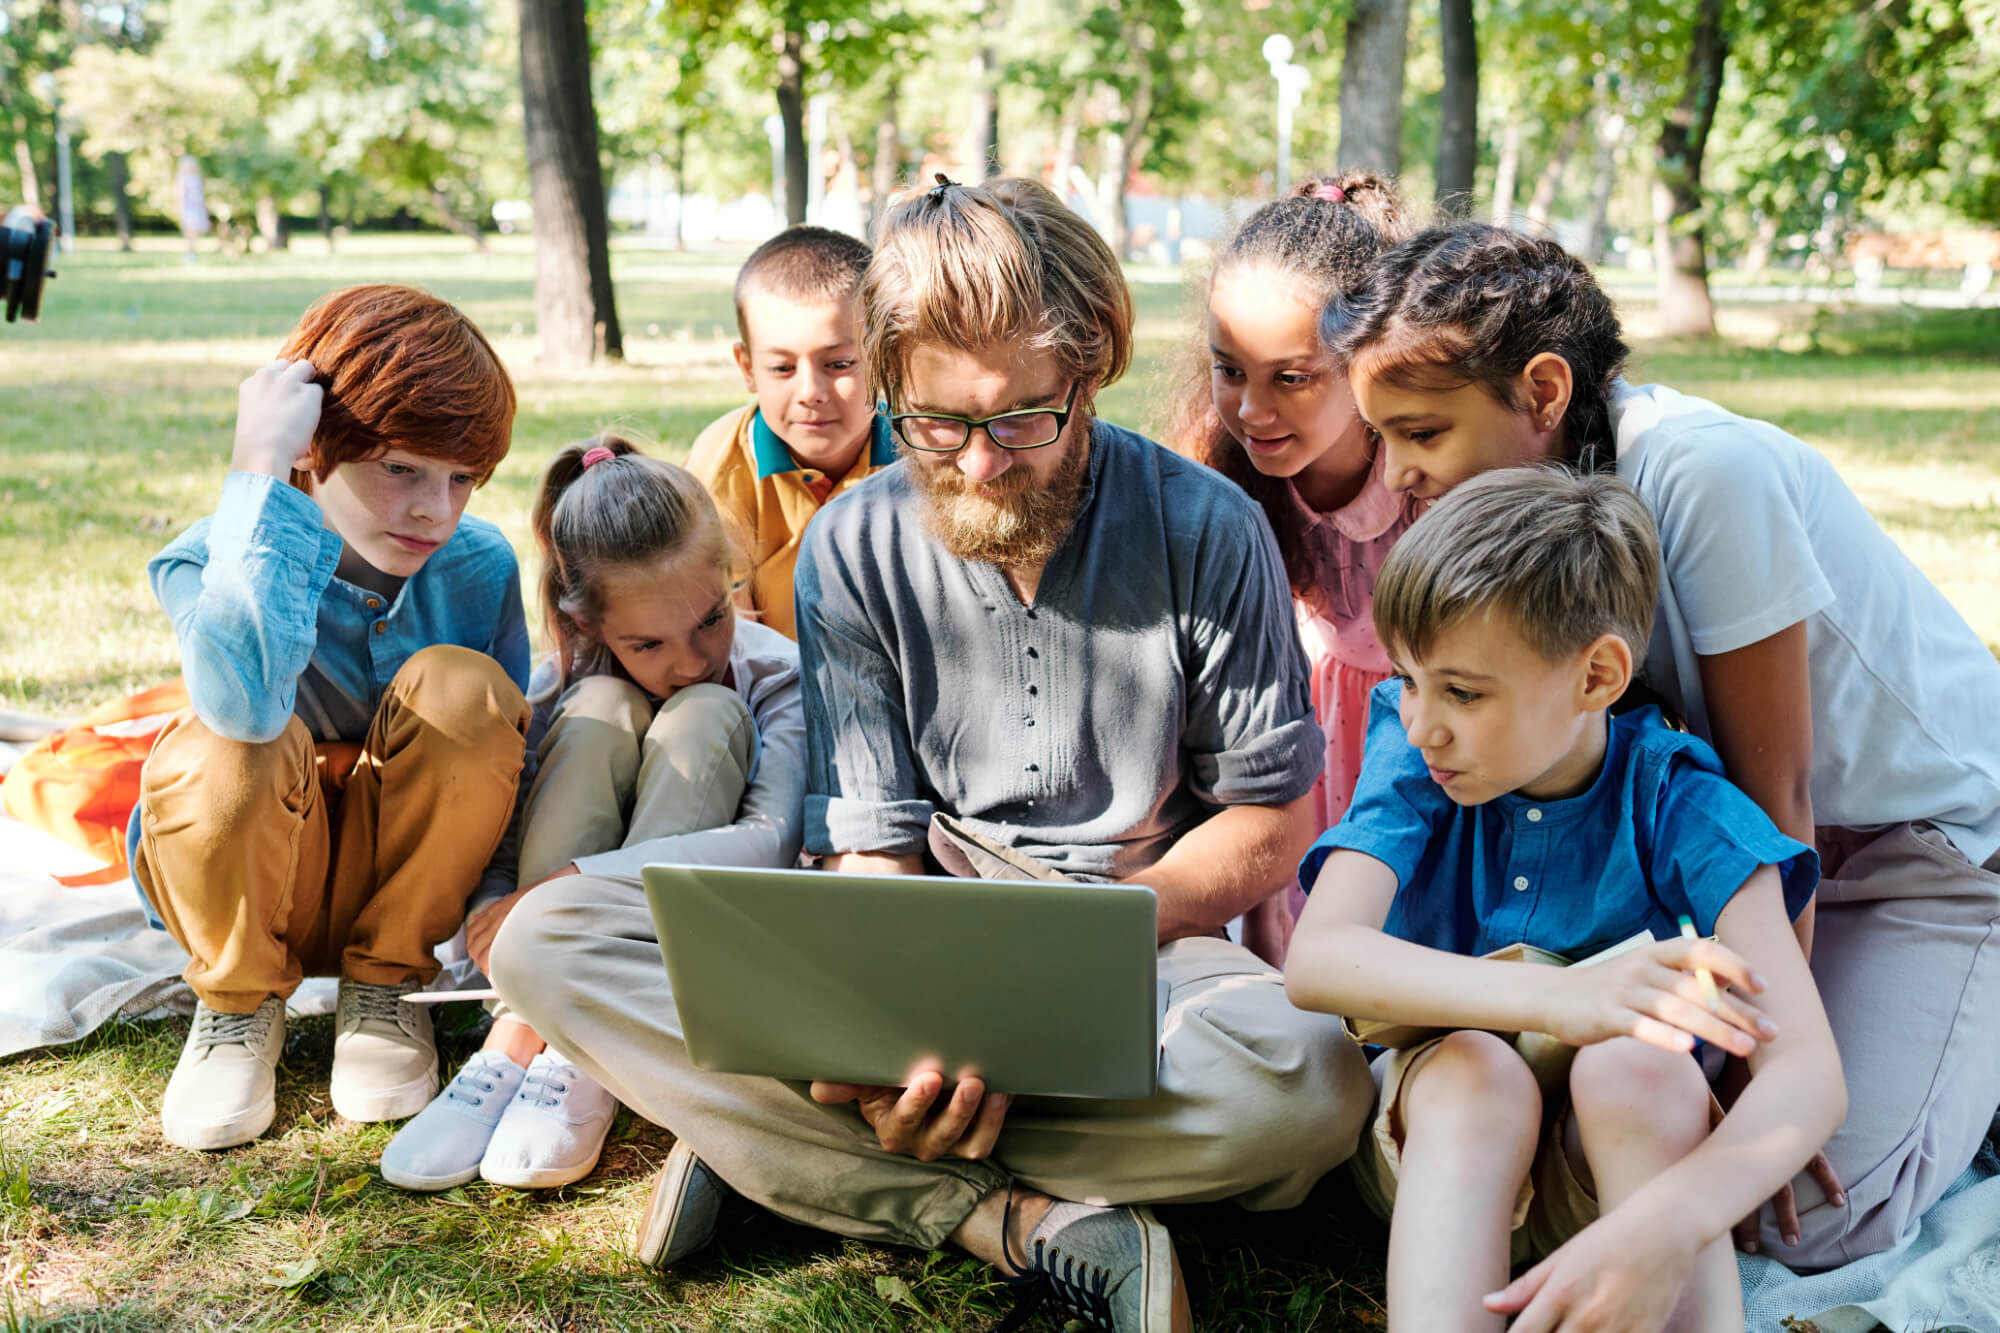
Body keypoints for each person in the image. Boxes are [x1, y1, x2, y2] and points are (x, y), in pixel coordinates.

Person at [487, 178, 1370, 1333]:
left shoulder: (1206, 526)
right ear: (893, 388)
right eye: (935, 425)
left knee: (1310, 1084)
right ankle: (1012, 1218)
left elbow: (1272, 823)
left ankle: (776, 1157)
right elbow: (871, 844)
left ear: (1090, 366)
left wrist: (1064, 956)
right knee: (548, 939)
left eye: (1020, 420)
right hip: (915, 937)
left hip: (1141, 946)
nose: (979, 464)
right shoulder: (851, 547)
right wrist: (887, 1031)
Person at [1327, 219, 2000, 1268]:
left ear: (1543, 393)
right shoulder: (1512, 531)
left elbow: (1774, 791)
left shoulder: (1699, 473)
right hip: (1747, 852)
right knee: (1663, 1154)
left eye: (1419, 434)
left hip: (1921, 849)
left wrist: (1749, 1072)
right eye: (1380, 439)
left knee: (1801, 1213)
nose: (1394, 476)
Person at [1286, 467, 1844, 1332]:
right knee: (1477, 1074)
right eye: (1410, 678)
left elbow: (1809, 1072)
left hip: (1618, 1191)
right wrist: (1566, 997)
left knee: (1640, 1065)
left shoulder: (1679, 799)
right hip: (1439, 1155)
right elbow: (1318, 960)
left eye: (1464, 691)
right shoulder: (1418, 752)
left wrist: (1675, 1217)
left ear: (1598, 676)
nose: (1425, 720)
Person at [132, 285, 531, 1152]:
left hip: (406, 894)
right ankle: (237, 1008)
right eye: (401, 470)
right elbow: (242, 705)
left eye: (462, 477)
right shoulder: (205, 556)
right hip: (252, 887)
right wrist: (259, 468)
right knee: (225, 739)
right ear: (312, 444)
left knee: (466, 689)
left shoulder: (478, 565)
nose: (437, 509)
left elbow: (503, 768)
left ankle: (385, 991)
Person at [381, 435, 807, 1192]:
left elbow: (770, 841)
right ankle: (518, 1036)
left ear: (728, 576)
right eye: (648, 642)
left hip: (689, 953)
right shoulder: (562, 687)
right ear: (587, 626)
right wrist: (504, 915)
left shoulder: (775, 674)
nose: (690, 656)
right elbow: (504, 855)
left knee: (705, 711)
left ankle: (585, 1045)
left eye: (712, 618)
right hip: (543, 947)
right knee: (600, 708)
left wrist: (574, 882)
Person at [1167, 171, 1420, 964]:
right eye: (1230, 369)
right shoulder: (1210, 484)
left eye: (1292, 378)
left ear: (1369, 359)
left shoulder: (1430, 479)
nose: (1250, 410)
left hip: (1421, 773)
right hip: (1291, 779)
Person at [686, 224, 896, 639]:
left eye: (838, 364)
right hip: (768, 684)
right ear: (747, 368)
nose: (810, 393)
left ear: (885, 352)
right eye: (782, 368)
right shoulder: (721, 466)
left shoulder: (923, 453)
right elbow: (733, 637)